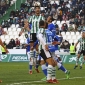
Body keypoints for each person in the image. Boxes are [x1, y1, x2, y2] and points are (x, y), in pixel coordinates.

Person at [25, 2, 45, 73]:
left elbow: (44, 26)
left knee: (38, 51)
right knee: (31, 51)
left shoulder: (42, 17)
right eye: (36, 8)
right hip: (33, 34)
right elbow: (26, 24)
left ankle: (36, 65)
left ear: (40, 9)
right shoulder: (31, 17)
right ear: (34, 10)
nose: (37, 10)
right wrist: (28, 30)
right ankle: (30, 69)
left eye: (38, 8)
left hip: (39, 34)